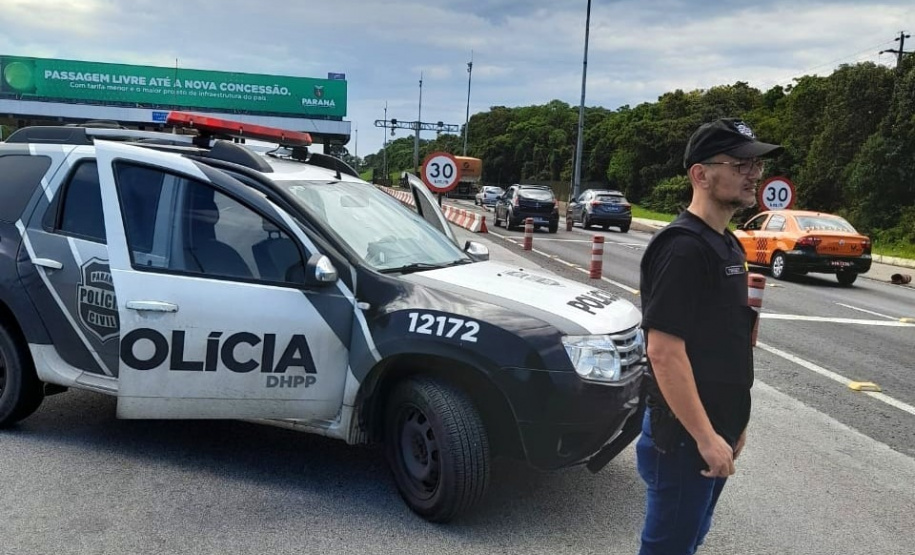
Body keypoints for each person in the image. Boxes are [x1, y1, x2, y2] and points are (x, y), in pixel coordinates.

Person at [636, 118, 783, 554]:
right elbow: (663, 352)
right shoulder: (682, 248)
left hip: (713, 432)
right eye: (740, 164)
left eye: (755, 165)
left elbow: (728, 343)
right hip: (683, 441)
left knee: (689, 539)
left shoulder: (728, 244)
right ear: (700, 174)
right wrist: (704, 436)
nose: (754, 174)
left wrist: (733, 425)